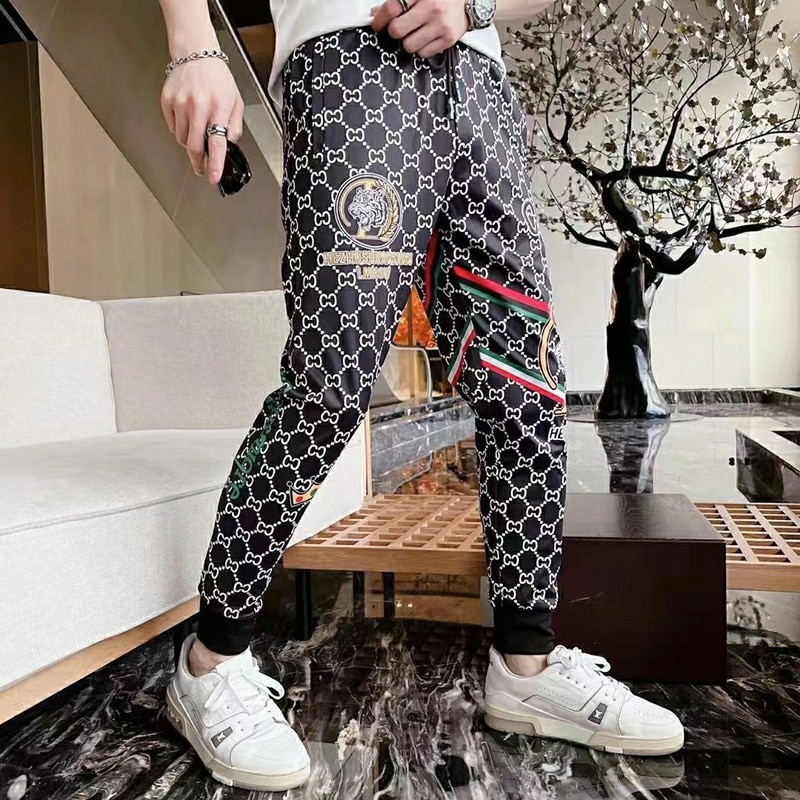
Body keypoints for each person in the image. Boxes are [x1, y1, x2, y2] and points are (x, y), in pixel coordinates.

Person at [157, 0, 685, 790]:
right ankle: (210, 662)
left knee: (529, 386)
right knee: (331, 381)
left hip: (481, 81)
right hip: (349, 62)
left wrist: (474, 6)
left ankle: (526, 665)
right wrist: (193, 42)